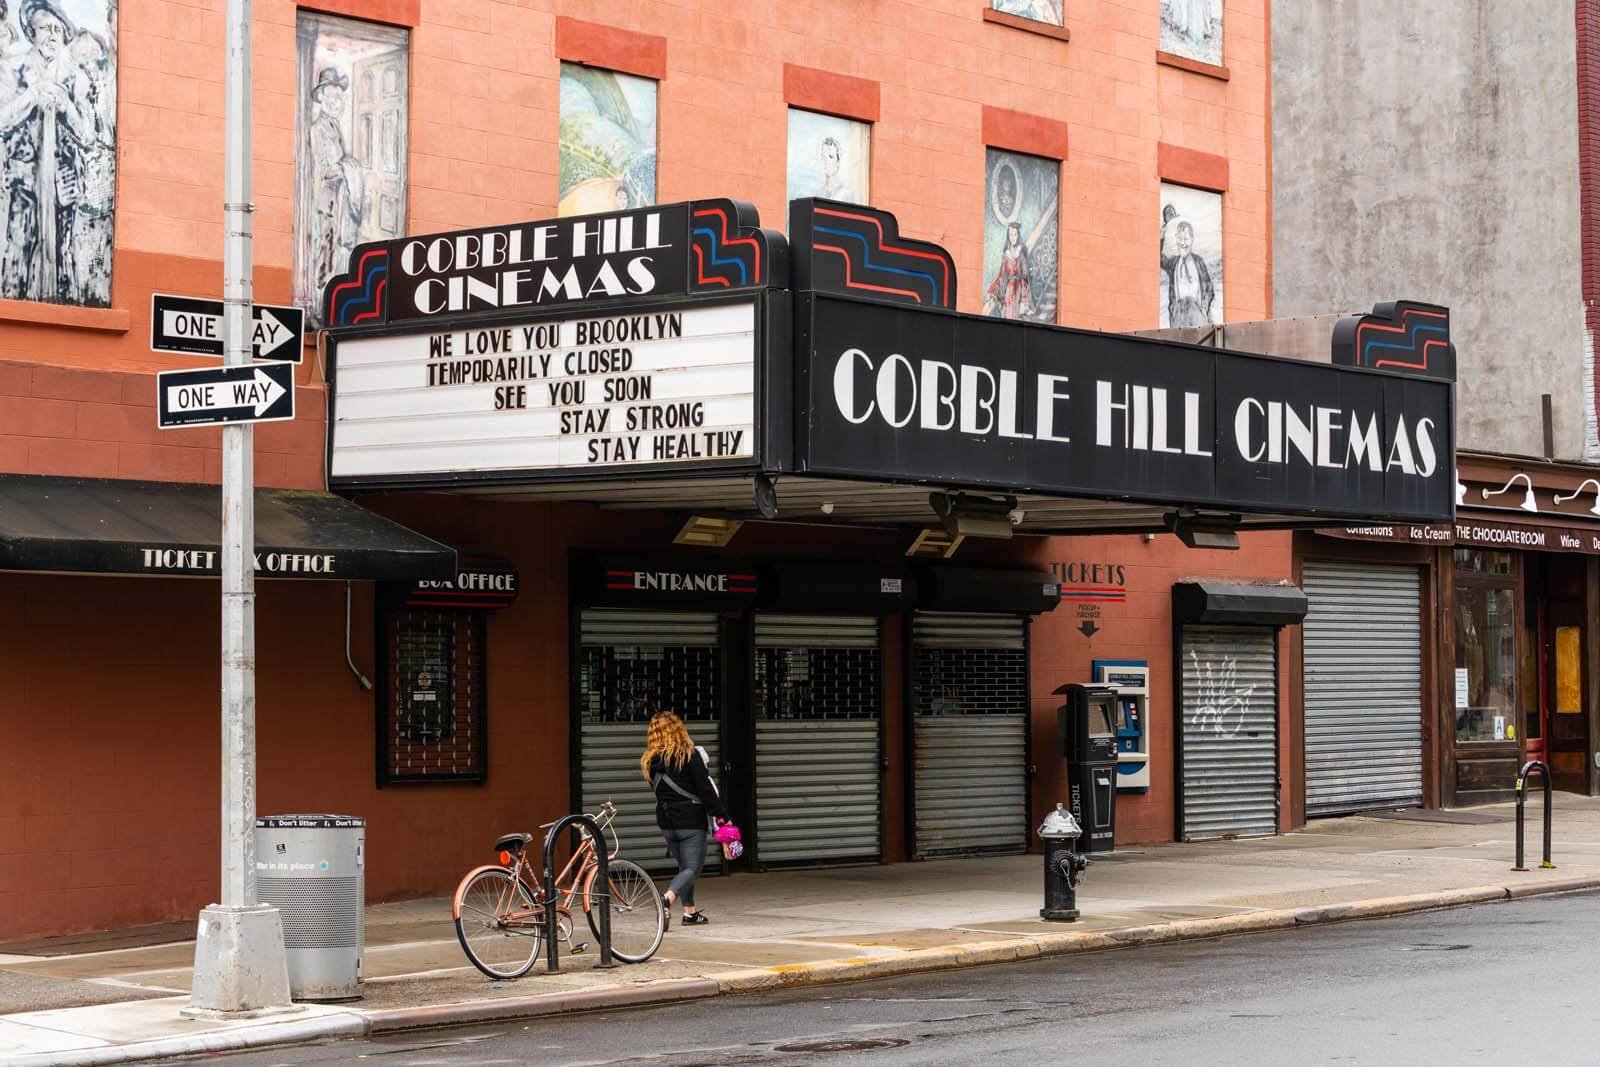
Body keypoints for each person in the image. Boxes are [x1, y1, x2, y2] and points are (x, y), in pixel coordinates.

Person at [640, 710, 726, 927]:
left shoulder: (650, 761)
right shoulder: (689, 755)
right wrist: (723, 817)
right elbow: (706, 791)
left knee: (684, 867)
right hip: (691, 820)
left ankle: (690, 913)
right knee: (692, 868)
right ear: (678, 729)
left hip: (666, 822)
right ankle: (665, 899)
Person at [1160, 207, 1214, 327]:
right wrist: (1161, 237)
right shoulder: (1173, 263)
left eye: (1186, 239)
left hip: (1197, 315)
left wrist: (1204, 308)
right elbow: (1159, 258)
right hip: (1178, 316)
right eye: (1180, 239)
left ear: (1192, 240)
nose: (1183, 243)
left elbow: (1209, 287)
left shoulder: (1198, 261)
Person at [985, 221, 1034, 319]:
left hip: (1019, 288)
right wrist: (993, 291)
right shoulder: (1006, 254)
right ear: (1008, 236)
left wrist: (1024, 295)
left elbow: (1025, 273)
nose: (1013, 237)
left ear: (1018, 236)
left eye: (1015, 234)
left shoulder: (1020, 253)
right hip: (1008, 289)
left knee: (1016, 316)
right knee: (1008, 314)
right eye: (1011, 235)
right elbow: (1001, 275)